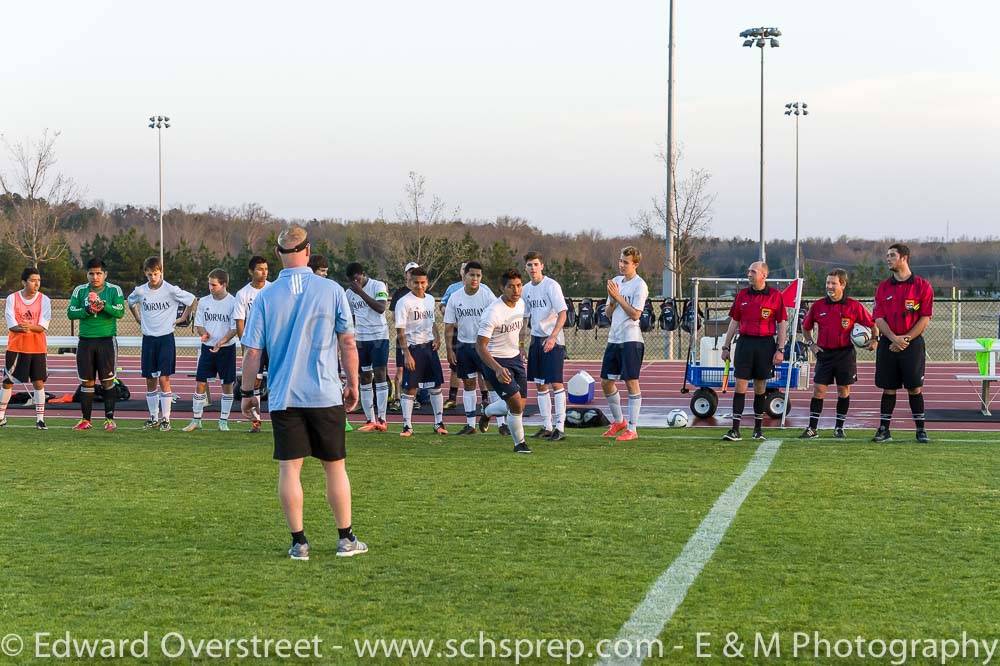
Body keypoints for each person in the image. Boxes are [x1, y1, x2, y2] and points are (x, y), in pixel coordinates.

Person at [240, 224, 366, 560]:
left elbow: (252, 351)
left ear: (279, 255)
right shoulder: (331, 290)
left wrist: (246, 392)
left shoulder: (265, 296)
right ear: (308, 251)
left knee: (289, 470)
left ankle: (299, 543)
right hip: (325, 394)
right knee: (335, 467)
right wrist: (352, 384)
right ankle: (346, 538)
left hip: (285, 396)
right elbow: (348, 342)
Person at [799, 268, 877, 439]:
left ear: (842, 284)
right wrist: (811, 344)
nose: (829, 286)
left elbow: (872, 325)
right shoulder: (818, 305)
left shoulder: (854, 306)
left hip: (845, 354)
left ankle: (839, 427)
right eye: (828, 283)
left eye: (833, 283)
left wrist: (874, 339)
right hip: (824, 354)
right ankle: (812, 428)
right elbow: (806, 328)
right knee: (818, 390)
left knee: (843, 390)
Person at [719, 261, 788, 441]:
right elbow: (734, 321)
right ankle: (735, 430)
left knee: (760, 387)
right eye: (748, 271)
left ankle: (758, 430)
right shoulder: (742, 295)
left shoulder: (775, 296)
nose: (749, 274)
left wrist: (780, 349)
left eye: (753, 271)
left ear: (763, 275)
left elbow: (782, 324)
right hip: (745, 344)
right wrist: (726, 346)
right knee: (740, 384)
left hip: (765, 345)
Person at [872, 243, 934, 443]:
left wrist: (905, 339)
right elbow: (878, 318)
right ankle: (884, 429)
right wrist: (894, 338)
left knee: (915, 388)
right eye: (887, 255)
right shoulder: (883, 287)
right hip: (888, 344)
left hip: (912, 345)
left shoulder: (922, 286)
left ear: (904, 258)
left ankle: (920, 430)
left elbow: (925, 318)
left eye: (892, 255)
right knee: (888, 388)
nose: (887, 259)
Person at [127, 256, 196, 431]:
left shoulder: (171, 290)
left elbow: (192, 299)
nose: (153, 278)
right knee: (150, 379)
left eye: (156, 274)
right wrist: (137, 318)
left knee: (164, 378)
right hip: (149, 339)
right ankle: (153, 417)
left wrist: (182, 317)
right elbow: (130, 301)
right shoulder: (141, 291)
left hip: (166, 338)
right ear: (145, 273)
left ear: (161, 272)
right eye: (149, 274)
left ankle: (166, 419)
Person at [476, 269, 532, 454]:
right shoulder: (493, 312)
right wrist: (498, 369)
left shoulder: (521, 304)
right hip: (495, 361)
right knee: (515, 404)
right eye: (511, 287)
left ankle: (487, 412)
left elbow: (521, 328)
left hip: (515, 358)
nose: (516, 290)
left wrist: (521, 345)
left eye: (519, 286)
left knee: (519, 406)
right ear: (502, 288)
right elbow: (480, 347)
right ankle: (520, 444)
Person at [67, 258, 126, 431]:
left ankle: (109, 419)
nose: (95, 277)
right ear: (87, 274)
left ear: (105, 274)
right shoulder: (80, 290)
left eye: (99, 273)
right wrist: (87, 310)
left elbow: (120, 311)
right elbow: (70, 312)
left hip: (106, 341)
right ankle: (86, 420)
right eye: (91, 273)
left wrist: (103, 305)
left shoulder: (114, 290)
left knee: (108, 381)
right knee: (87, 382)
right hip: (86, 341)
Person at [599, 246, 649, 441]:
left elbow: (636, 314)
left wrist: (618, 297)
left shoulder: (640, 285)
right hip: (615, 337)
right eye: (620, 261)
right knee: (606, 381)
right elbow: (607, 313)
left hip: (631, 339)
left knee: (631, 381)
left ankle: (633, 428)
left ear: (635, 264)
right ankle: (619, 421)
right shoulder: (616, 281)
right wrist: (612, 300)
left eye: (626, 262)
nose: (621, 265)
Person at [444, 261, 496, 435]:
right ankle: (470, 424)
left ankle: (502, 424)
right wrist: (450, 350)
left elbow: (498, 317)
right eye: (472, 275)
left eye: (478, 275)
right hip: (464, 346)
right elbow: (449, 326)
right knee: (468, 383)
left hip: (484, 346)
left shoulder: (487, 295)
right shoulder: (455, 297)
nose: (475, 279)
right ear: (464, 276)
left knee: (491, 383)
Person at [521, 251, 568, 441]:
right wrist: (521, 343)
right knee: (540, 384)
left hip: (552, 341)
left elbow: (563, 313)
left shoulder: (551, 285)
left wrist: (553, 337)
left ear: (542, 266)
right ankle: (547, 426)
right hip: (536, 339)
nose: (533, 268)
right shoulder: (525, 289)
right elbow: (524, 318)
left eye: (536, 264)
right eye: (529, 265)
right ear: (526, 268)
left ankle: (560, 427)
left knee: (555, 383)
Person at [183, 269, 238, 432]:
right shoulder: (204, 301)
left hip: (226, 349)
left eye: (214, 285)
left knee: (227, 384)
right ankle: (196, 419)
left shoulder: (233, 302)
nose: (210, 287)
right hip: (207, 349)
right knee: (200, 382)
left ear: (224, 284)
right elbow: (199, 324)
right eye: (209, 284)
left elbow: (234, 328)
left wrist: (221, 342)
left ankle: (223, 421)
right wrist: (204, 334)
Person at [395, 266, 447, 437]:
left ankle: (439, 423)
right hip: (413, 348)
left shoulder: (430, 299)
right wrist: (407, 354)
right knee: (411, 388)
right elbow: (400, 332)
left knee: (436, 385)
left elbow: (431, 321)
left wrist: (437, 337)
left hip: (429, 348)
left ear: (427, 283)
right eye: (416, 282)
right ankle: (407, 426)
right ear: (409, 283)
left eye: (423, 282)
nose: (419, 286)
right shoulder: (404, 302)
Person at [1, 267, 52, 429]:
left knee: (38, 382)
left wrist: (28, 326)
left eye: (38, 280)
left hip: (37, 348)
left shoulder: (45, 300)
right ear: (24, 282)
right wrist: (26, 326)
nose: (36, 283)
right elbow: (12, 323)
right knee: (8, 382)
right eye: (32, 280)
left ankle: (40, 419)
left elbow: (43, 326)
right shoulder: (12, 298)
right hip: (16, 347)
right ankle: (1, 416)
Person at [345, 262, 390, 432]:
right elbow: (351, 318)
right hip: (361, 339)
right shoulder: (349, 293)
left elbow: (380, 308)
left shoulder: (377, 285)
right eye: (351, 280)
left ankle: (382, 419)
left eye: (356, 278)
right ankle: (370, 419)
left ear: (363, 274)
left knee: (380, 374)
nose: (354, 282)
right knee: (364, 376)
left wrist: (361, 292)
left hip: (379, 336)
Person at [234, 256, 271, 433]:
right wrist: (245, 347)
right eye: (259, 269)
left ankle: (284, 418)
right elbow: (240, 322)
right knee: (254, 383)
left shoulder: (274, 289)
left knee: (279, 379)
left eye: (266, 269)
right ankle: (256, 421)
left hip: (273, 344)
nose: (264, 272)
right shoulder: (243, 294)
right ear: (251, 271)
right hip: (255, 346)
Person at [388, 262, 420, 411]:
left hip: (418, 338)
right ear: (406, 274)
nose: (412, 274)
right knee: (400, 369)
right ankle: (397, 398)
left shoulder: (422, 292)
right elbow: (395, 316)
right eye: (410, 271)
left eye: (415, 271)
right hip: (404, 336)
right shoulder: (399, 293)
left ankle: (414, 398)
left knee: (417, 369)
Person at [440, 263, 468, 410]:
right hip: (457, 333)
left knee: (481, 368)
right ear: (460, 271)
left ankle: (485, 399)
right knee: (455, 366)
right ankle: (452, 398)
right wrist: (451, 318)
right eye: (463, 268)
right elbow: (442, 305)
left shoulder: (483, 289)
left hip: (476, 334)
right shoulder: (453, 288)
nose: (466, 271)